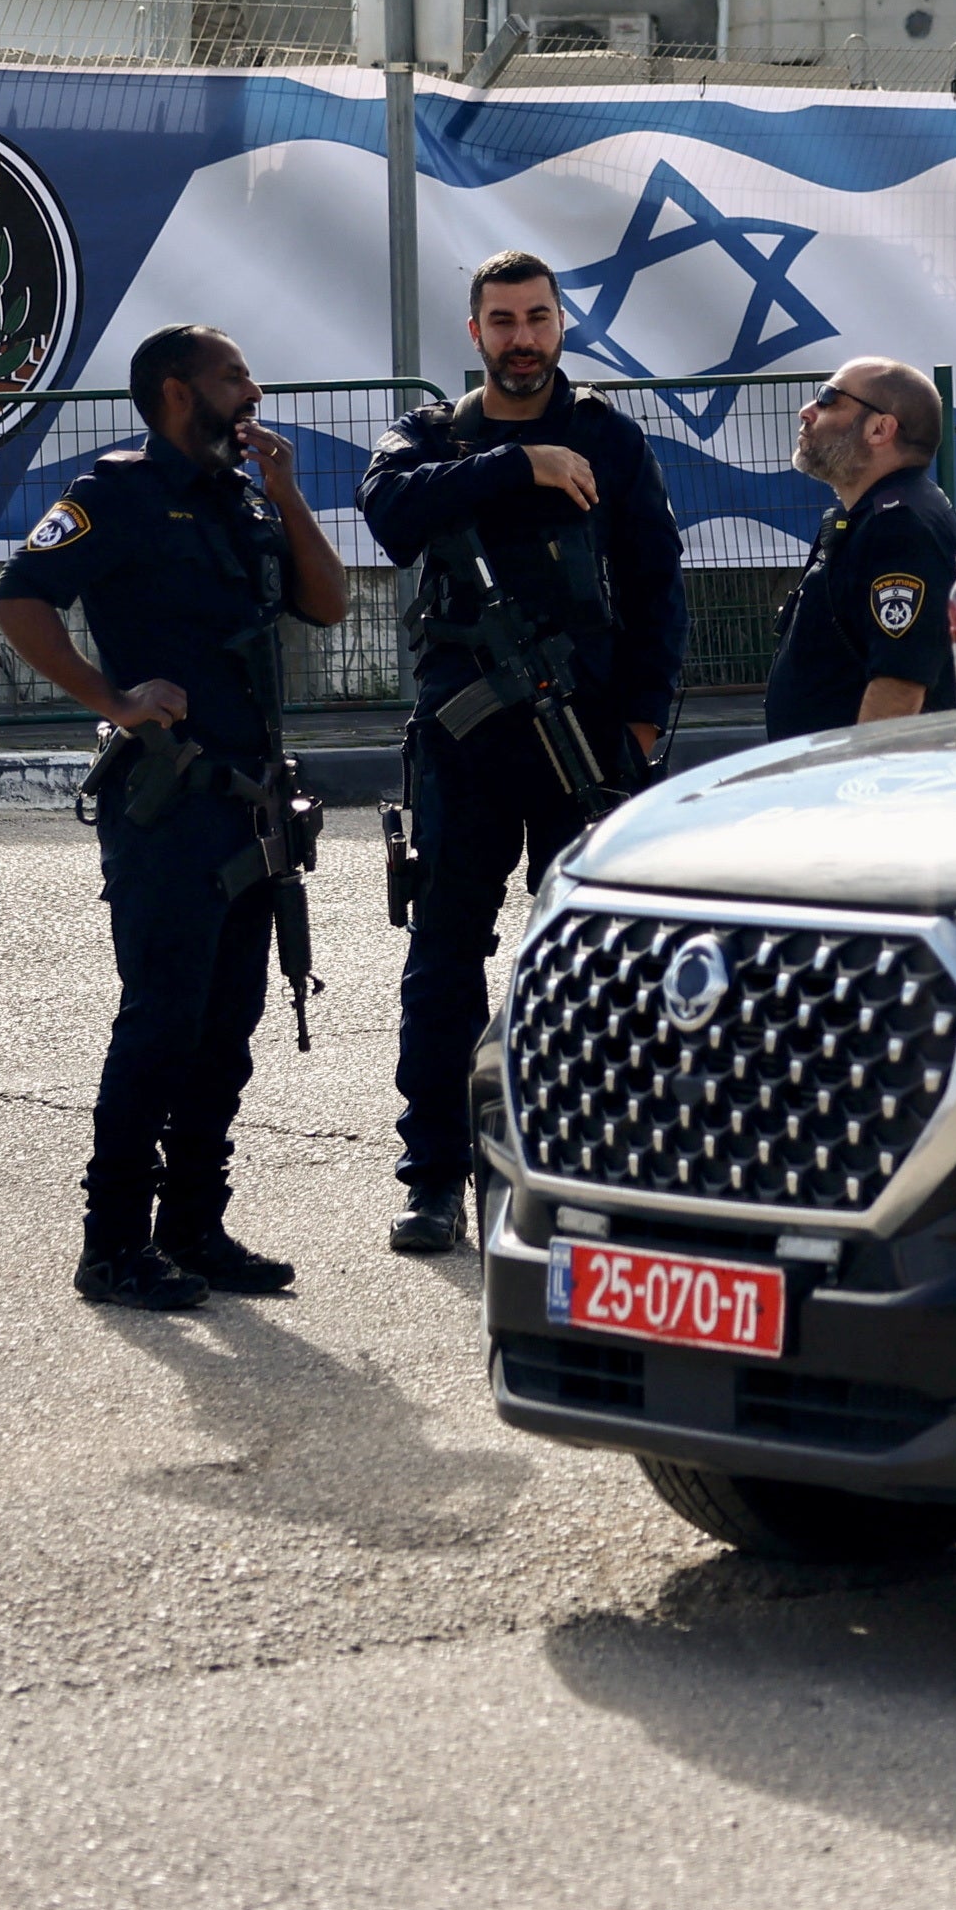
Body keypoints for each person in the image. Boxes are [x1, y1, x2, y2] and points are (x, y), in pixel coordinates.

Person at [0, 321, 352, 1314]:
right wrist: (110, 697)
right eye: (236, 374)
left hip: (251, 803)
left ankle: (191, 1224)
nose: (255, 387)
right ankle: (112, 1246)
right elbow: (19, 601)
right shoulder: (115, 491)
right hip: (168, 801)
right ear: (178, 392)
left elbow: (328, 602)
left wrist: (286, 492)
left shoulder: (244, 495)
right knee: (162, 1021)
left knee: (228, 1024)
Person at [358, 252, 682, 1256]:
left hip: (584, 739)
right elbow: (389, 513)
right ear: (475, 333)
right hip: (464, 747)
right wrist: (520, 465)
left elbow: (657, 585)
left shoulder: (608, 436)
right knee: (446, 959)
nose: (522, 336)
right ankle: (433, 1175)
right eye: (502, 319)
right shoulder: (428, 437)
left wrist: (640, 725)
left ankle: (573, 1163)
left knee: (582, 960)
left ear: (561, 325)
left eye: (537, 316)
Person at [762, 354, 956, 740]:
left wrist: (862, 791)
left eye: (828, 399)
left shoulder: (901, 528)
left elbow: (899, 687)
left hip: (859, 790)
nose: (807, 411)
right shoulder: (873, 517)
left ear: (879, 429)